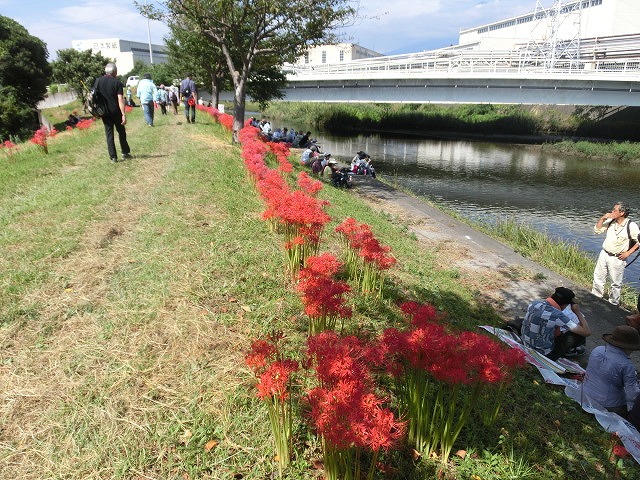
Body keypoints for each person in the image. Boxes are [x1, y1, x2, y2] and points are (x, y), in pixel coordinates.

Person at [582, 325, 640, 418]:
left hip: (586, 393)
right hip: (608, 405)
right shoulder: (626, 365)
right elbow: (632, 395)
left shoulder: (597, 350)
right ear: (629, 347)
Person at [521, 286, 592, 360]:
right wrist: (578, 312)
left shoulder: (534, 303)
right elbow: (587, 332)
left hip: (526, 343)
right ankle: (568, 351)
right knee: (578, 335)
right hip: (545, 354)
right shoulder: (557, 315)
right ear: (565, 305)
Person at [592, 202, 640, 306]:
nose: (612, 212)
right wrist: (602, 218)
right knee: (598, 277)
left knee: (615, 283)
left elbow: (639, 241)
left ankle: (613, 304)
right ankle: (595, 297)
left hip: (617, 258)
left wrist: (628, 253)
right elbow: (597, 230)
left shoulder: (631, 225)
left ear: (622, 213)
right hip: (604, 253)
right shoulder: (611, 221)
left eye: (615, 210)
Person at [93, 62, 131, 163]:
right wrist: (123, 114)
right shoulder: (117, 83)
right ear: (114, 72)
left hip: (104, 112)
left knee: (109, 134)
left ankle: (113, 157)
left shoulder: (98, 82)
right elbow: (120, 100)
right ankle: (125, 152)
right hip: (116, 111)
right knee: (121, 132)